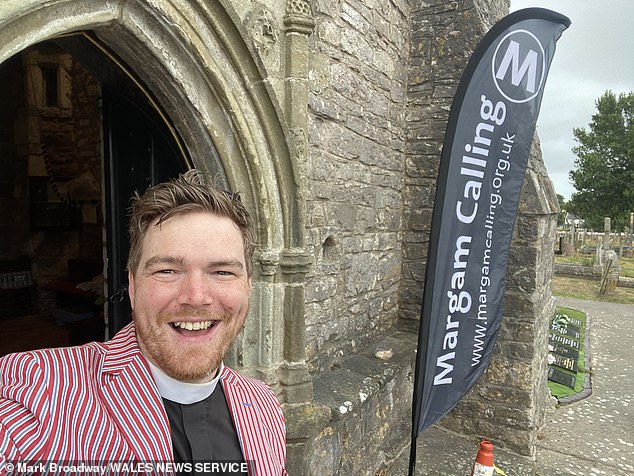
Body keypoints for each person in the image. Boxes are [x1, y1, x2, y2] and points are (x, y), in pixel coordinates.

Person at [0, 170, 287, 475]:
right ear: (134, 287)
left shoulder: (263, 406)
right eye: (167, 270)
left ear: (248, 287)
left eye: (223, 272)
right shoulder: (36, 389)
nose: (196, 297)